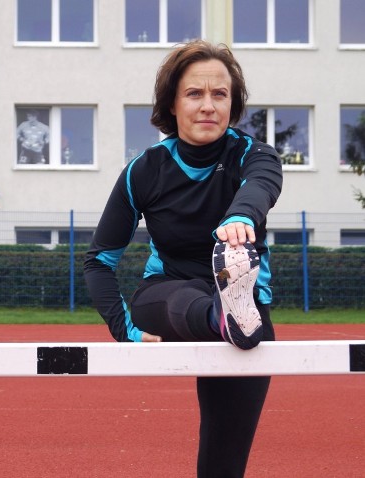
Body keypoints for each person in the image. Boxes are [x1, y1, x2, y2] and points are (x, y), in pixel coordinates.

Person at [83, 40, 282, 478]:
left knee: (223, 465)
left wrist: (240, 216)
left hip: (249, 321)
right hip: (168, 301)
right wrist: (124, 331)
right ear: (171, 103)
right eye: (194, 94)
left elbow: (259, 187)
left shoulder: (255, 155)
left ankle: (234, 309)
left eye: (219, 94)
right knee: (181, 298)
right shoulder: (145, 170)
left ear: (233, 103)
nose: (208, 105)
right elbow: (99, 260)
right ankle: (220, 315)